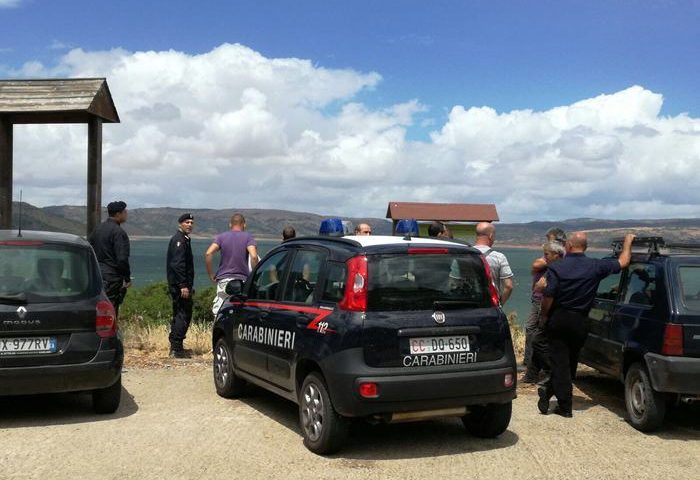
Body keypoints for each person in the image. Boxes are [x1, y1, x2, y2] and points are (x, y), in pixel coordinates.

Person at [538, 232, 635, 417]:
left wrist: (544, 316)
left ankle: (564, 406)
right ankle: (550, 391)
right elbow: (623, 262)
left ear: (568, 245)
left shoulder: (557, 267)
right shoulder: (595, 266)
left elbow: (548, 296)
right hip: (580, 321)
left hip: (559, 318)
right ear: (585, 247)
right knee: (569, 362)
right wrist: (628, 242)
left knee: (560, 363)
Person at [522, 228, 568, 383]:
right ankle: (533, 369)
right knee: (536, 333)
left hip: (544, 300)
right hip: (539, 298)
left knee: (536, 333)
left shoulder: (559, 258)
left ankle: (539, 368)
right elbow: (535, 266)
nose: (548, 243)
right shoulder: (552, 258)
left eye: (550, 239)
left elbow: (536, 265)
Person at [205, 213, 258, 315]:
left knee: (220, 312)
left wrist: (211, 275)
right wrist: (254, 276)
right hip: (241, 281)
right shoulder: (248, 237)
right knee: (239, 312)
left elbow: (208, 253)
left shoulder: (221, 237)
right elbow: (254, 256)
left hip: (223, 280)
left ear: (230, 225)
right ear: (244, 225)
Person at [89, 200, 131, 317]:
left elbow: (89, 250)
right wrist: (127, 278)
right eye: (125, 212)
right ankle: (108, 335)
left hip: (96, 275)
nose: (126, 214)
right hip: (112, 277)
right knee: (110, 309)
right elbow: (122, 258)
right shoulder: (118, 232)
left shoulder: (97, 230)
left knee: (97, 307)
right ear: (118, 214)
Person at [166, 213, 195, 358]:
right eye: (187, 222)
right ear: (180, 224)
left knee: (179, 314)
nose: (189, 224)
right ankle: (176, 348)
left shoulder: (184, 239)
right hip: (180, 286)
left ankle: (176, 346)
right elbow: (177, 264)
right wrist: (183, 285)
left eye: (191, 222)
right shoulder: (179, 240)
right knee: (183, 315)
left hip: (180, 284)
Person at [473, 222, 514, 305]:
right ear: (491, 236)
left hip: (470, 303)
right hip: (491, 305)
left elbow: (454, 282)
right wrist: (500, 304)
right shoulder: (499, 257)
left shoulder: (464, 254)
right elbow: (508, 286)